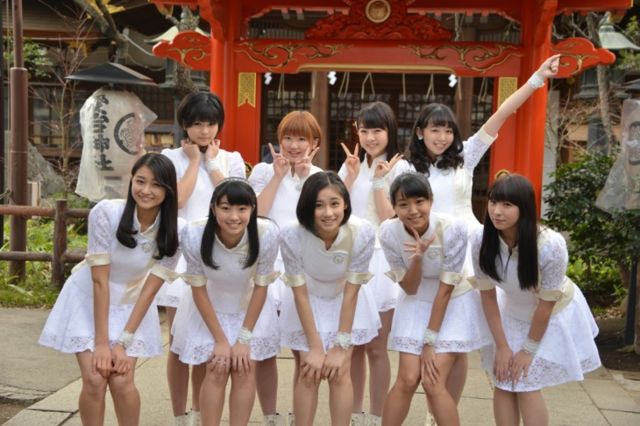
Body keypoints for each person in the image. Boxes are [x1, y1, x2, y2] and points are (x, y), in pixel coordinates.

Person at [406, 55, 561, 407]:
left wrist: (537, 78)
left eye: (448, 130)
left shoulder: (466, 156)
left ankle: (443, 411)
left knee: (457, 343)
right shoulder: (406, 168)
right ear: (420, 132)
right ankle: (438, 407)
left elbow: (502, 114)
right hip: (428, 251)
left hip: (469, 252)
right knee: (433, 338)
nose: (442, 137)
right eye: (435, 130)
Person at [39, 153, 181, 426]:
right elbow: (99, 281)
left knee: (122, 379)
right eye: (140, 181)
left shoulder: (176, 230)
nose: (146, 190)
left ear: (168, 190)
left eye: (156, 185)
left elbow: (150, 291)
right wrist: (102, 345)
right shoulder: (107, 213)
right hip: (89, 298)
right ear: (132, 181)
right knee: (95, 377)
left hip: (132, 304)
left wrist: (123, 343)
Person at [471, 174, 601, 425]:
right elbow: (487, 296)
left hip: (551, 313)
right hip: (512, 309)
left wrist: (527, 351)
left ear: (525, 208)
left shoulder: (551, 245)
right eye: (493, 202)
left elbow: (545, 306)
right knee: (502, 377)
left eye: (507, 205)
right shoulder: (481, 239)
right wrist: (502, 346)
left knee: (525, 380)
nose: (496, 211)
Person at [158, 91, 246, 425]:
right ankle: (179, 414)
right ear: (185, 125)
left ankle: (199, 411)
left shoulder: (232, 159)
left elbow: (235, 198)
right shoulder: (169, 158)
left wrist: (211, 164)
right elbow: (177, 201)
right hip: (181, 253)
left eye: (210, 124)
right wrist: (194, 161)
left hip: (218, 253)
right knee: (178, 341)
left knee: (207, 341)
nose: (204, 131)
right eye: (197, 124)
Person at [378, 172, 491, 426]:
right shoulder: (388, 232)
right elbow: (409, 287)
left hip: (452, 301)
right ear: (394, 206)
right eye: (403, 204)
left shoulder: (453, 229)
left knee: (432, 380)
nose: (413, 211)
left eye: (420, 202)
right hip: (415, 299)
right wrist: (417, 259)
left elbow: (445, 290)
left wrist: (429, 342)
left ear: (431, 200)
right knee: (407, 379)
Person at [169, 178, 280, 425]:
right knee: (216, 367)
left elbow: (261, 286)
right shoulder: (195, 234)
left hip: (250, 308)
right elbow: (198, 288)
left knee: (244, 368)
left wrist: (244, 339)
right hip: (207, 306)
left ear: (252, 209)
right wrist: (220, 340)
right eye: (226, 208)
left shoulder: (266, 234)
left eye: (242, 209)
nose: (234, 217)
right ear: (213, 208)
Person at [279, 171, 380, 426]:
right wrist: (315, 347)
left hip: (346, 300)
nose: (328, 213)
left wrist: (340, 346)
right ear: (307, 206)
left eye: (334, 203)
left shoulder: (362, 232)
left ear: (345, 203)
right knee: (308, 371)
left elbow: (352, 291)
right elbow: (299, 292)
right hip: (307, 299)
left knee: (340, 370)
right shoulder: (291, 235)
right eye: (319, 205)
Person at [338, 101, 411, 425]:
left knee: (377, 348)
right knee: (353, 344)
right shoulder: (351, 165)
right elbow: (335, 211)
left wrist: (381, 182)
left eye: (377, 130)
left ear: (389, 131)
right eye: (364, 130)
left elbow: (391, 221)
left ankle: (376, 416)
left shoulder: (401, 169)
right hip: (353, 258)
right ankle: (355, 414)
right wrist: (350, 177)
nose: (370, 137)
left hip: (383, 261)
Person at [248, 110, 322, 425]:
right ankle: (270, 417)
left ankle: (298, 416)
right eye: (287, 138)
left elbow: (321, 222)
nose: (293, 145)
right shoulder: (263, 171)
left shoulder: (319, 176)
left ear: (314, 143)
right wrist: (277, 177)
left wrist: (304, 179)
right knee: (263, 347)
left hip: (302, 269)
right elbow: (255, 214)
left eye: (301, 138)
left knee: (301, 348)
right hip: (266, 265)